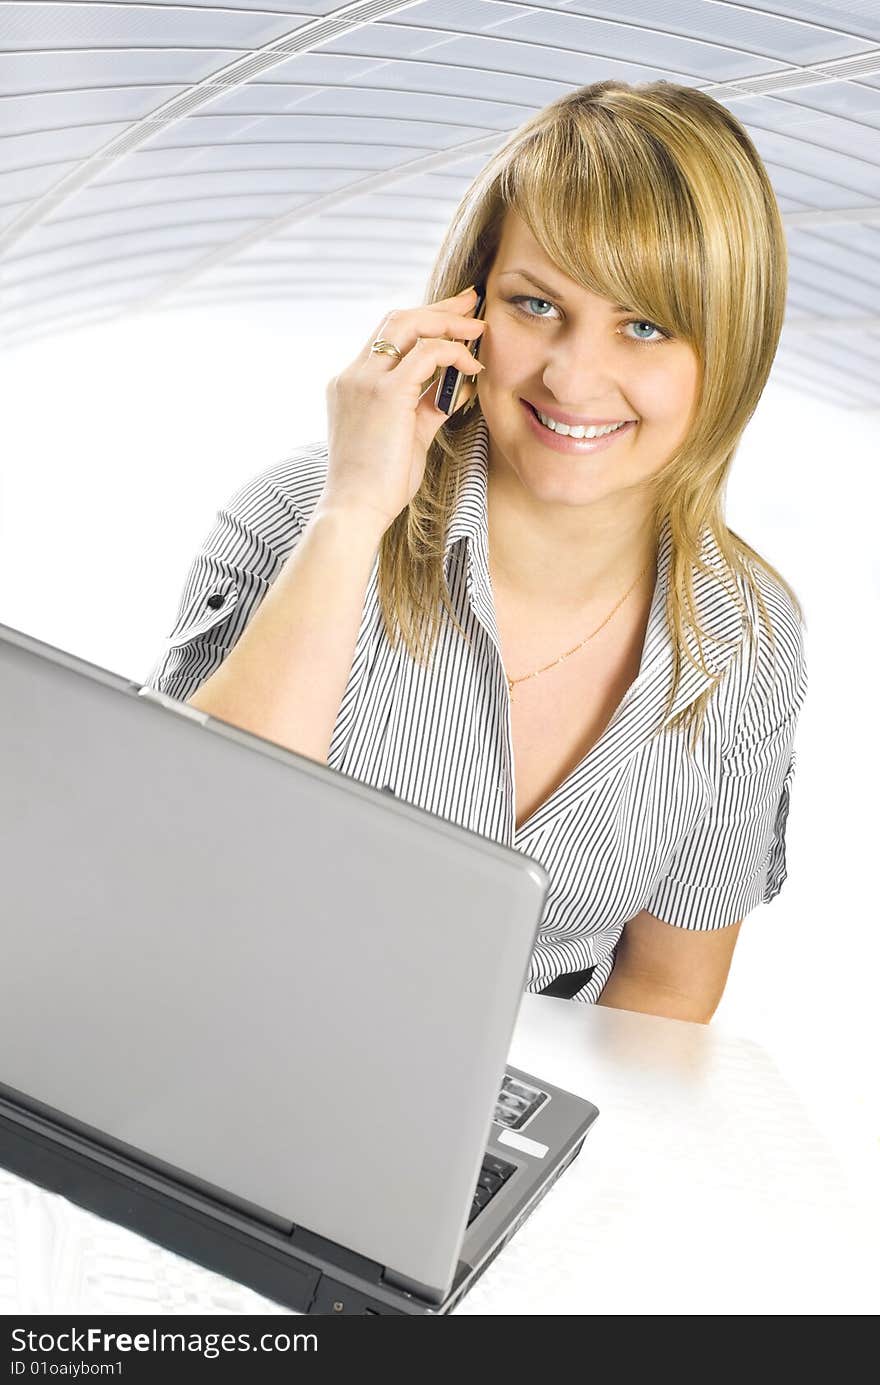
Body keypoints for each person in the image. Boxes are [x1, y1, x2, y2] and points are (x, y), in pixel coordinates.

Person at [145, 79, 807, 1022]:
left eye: (646, 326)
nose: (574, 376)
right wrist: (351, 515)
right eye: (535, 305)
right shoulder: (305, 515)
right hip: (224, 1035)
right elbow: (179, 863)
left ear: (733, 349)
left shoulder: (748, 640)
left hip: (501, 1118)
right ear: (468, 309)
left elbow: (662, 997)